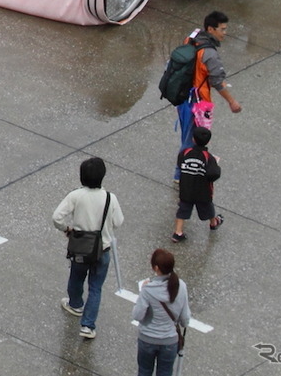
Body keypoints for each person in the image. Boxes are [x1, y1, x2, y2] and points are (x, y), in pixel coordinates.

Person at [54, 155, 125, 339]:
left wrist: (67, 229)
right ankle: (88, 325)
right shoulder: (111, 198)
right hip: (103, 249)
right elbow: (118, 222)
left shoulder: (76, 195)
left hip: (80, 247)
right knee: (96, 287)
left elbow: (57, 217)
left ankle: (75, 304)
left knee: (76, 277)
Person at [130, 249, 190, 376]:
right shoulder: (181, 286)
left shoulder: (148, 289)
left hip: (147, 340)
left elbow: (137, 315)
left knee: (144, 372)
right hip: (169, 342)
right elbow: (185, 320)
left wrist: (143, 291)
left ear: (156, 268)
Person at [172, 125, 223, 241]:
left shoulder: (185, 153)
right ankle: (213, 222)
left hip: (186, 189)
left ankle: (178, 232)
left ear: (193, 139)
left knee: (182, 210)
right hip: (203, 192)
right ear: (208, 141)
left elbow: (180, 164)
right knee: (208, 209)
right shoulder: (208, 158)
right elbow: (214, 174)